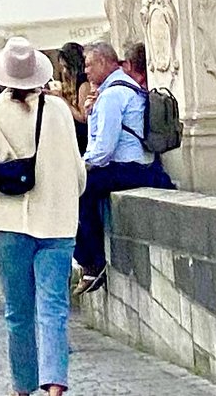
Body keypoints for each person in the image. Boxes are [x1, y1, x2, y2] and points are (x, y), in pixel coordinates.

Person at [0, 40, 83, 396]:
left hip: (10, 223)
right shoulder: (58, 111)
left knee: (17, 311)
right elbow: (78, 171)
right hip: (58, 221)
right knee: (54, 307)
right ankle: (56, 384)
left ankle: (22, 387)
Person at [71, 49, 164, 294]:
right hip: (143, 166)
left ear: (104, 62)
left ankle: (91, 261)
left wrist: (79, 166)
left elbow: (103, 150)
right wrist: (91, 113)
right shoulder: (124, 88)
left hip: (128, 168)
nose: (86, 71)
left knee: (77, 188)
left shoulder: (112, 96)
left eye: (90, 65)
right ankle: (90, 260)